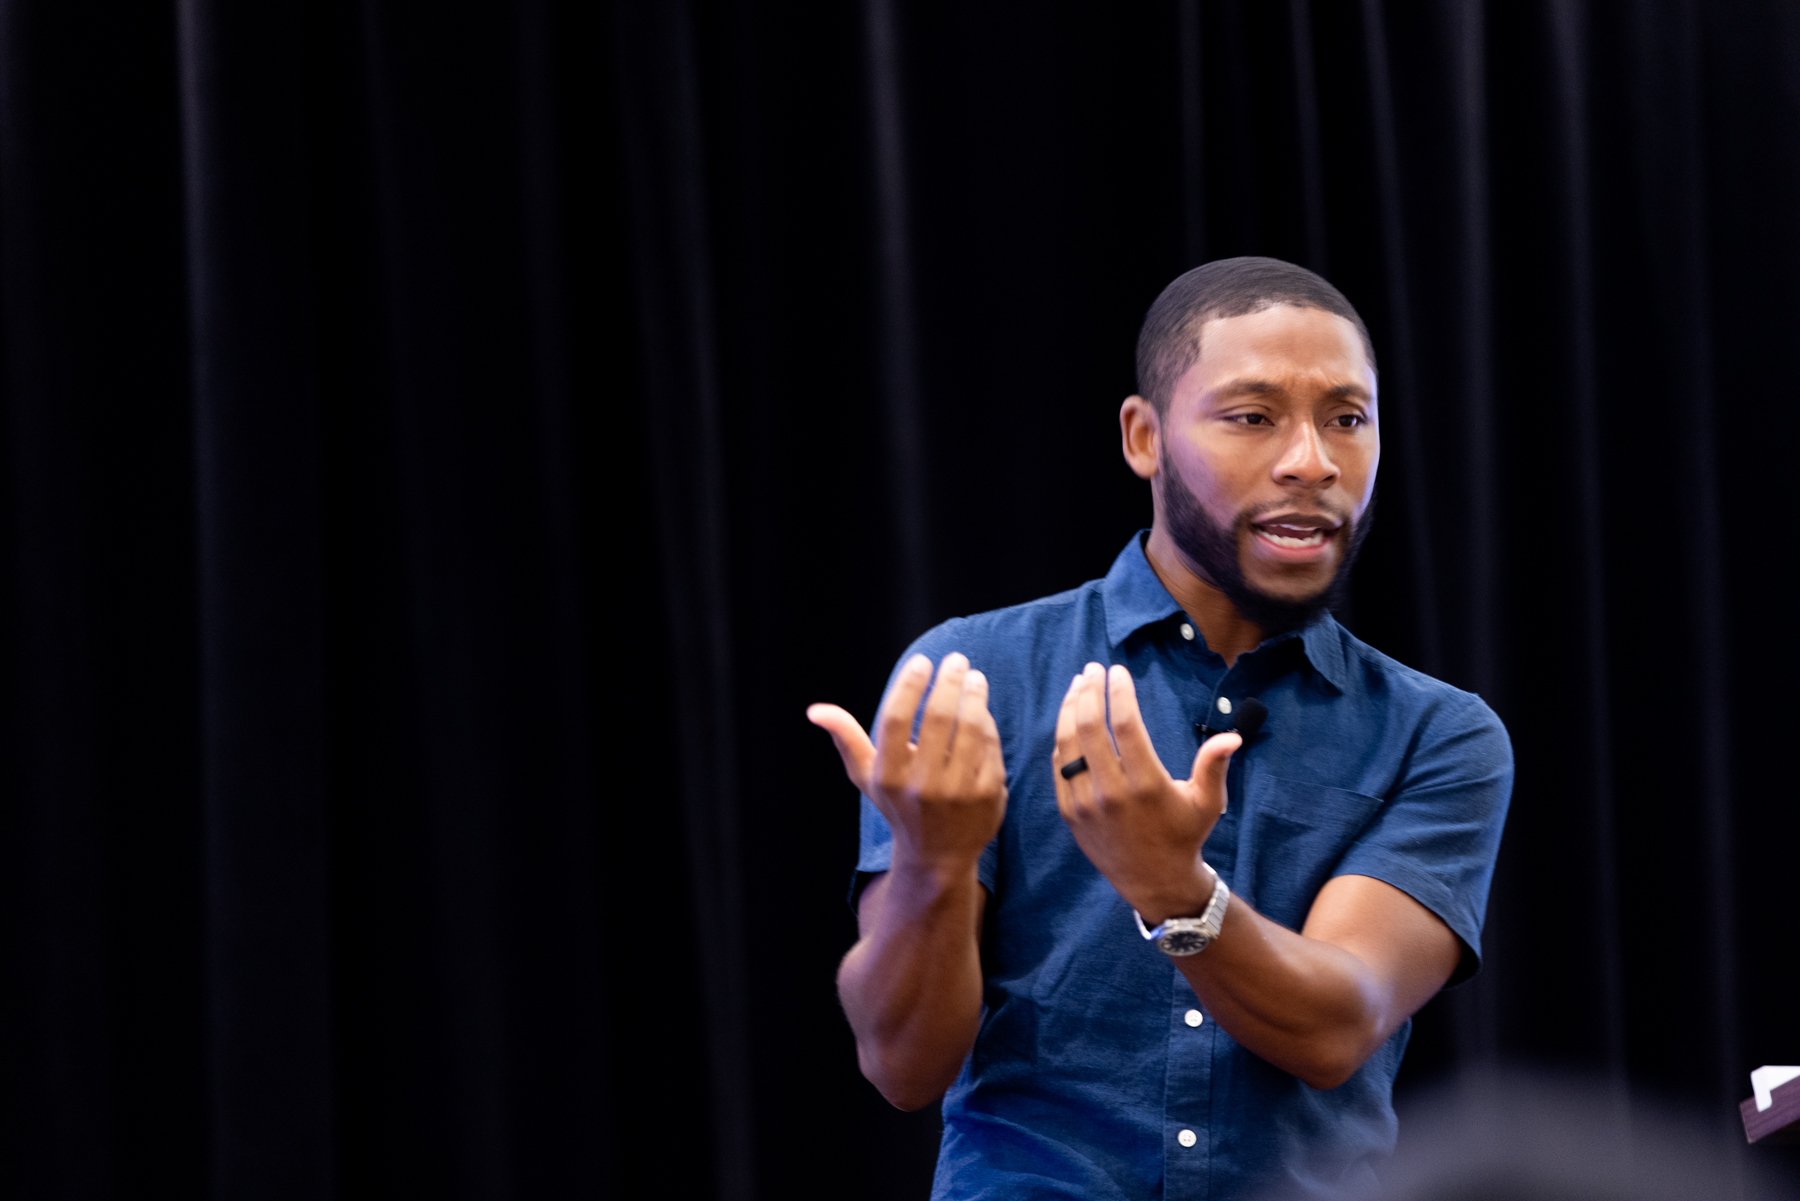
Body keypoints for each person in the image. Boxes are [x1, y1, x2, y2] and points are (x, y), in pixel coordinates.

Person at [807, 257, 1512, 1200]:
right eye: (1253, 416)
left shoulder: (1439, 733)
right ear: (1145, 438)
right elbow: (901, 1066)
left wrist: (1174, 889)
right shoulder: (976, 675)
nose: (1312, 461)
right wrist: (933, 866)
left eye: (1348, 418)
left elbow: (1336, 1026)